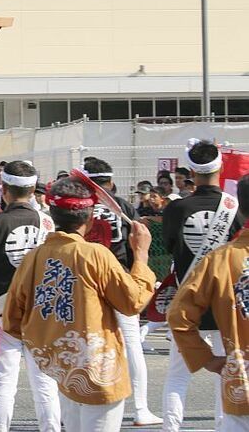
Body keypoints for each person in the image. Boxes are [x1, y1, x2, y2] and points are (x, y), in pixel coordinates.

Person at [4, 178, 156, 432]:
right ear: (90, 218)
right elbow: (133, 302)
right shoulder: (95, 255)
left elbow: (12, 319)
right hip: (98, 369)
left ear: (52, 215)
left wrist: (48, 341)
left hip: (61, 369)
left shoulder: (34, 257)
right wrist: (141, 256)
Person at [0, 161, 59, 432]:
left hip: (3, 309)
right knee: (45, 384)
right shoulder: (47, 222)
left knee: (2, 386)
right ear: (33, 189)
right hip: (43, 311)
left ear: (4, 190)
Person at [162, 139, 243, 431]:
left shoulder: (176, 208)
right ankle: (225, 426)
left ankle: (171, 428)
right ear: (220, 166)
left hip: (188, 299)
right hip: (226, 302)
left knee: (177, 375)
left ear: (190, 173)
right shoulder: (234, 207)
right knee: (229, 372)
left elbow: (171, 247)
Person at [79, 158, 163, 426]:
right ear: (111, 182)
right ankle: (140, 409)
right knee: (132, 346)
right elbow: (138, 239)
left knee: (84, 345)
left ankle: (80, 404)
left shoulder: (81, 208)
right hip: (121, 282)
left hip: (87, 285)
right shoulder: (125, 208)